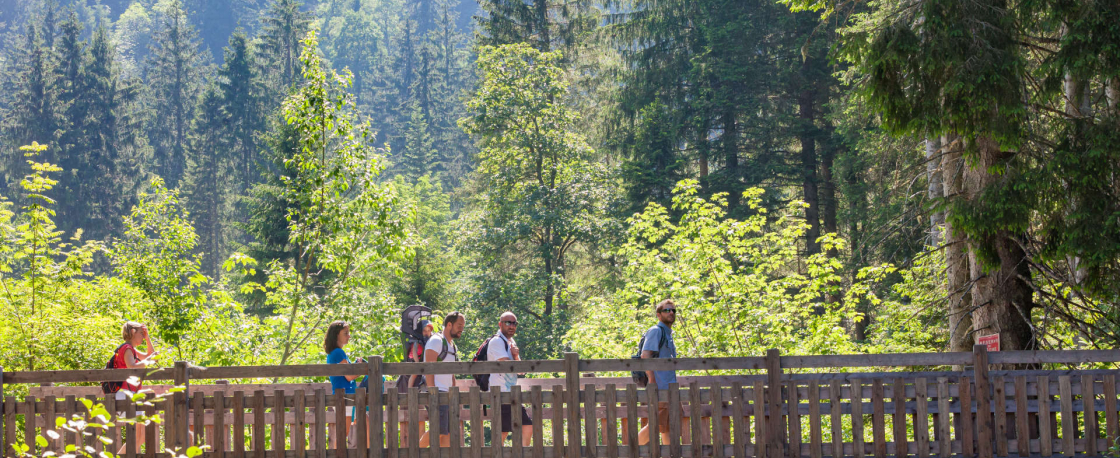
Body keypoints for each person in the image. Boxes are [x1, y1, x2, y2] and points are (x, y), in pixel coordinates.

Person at [418, 312, 466, 448]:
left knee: (448, 433)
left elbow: (451, 373)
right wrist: (433, 392)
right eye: (459, 325)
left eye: (463, 326)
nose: (461, 328)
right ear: (449, 324)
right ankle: (413, 454)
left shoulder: (451, 345)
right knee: (438, 429)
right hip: (436, 393)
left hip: (447, 394)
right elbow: (428, 368)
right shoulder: (436, 341)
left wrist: (454, 391)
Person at [488, 312, 533, 446]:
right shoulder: (497, 341)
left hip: (511, 393)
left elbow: (521, 370)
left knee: (526, 427)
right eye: (508, 323)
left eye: (514, 323)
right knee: (502, 433)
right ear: (500, 324)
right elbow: (508, 366)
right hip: (500, 394)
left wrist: (516, 356)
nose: (512, 326)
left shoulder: (511, 342)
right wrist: (515, 356)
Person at [638, 299, 680, 445]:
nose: (671, 313)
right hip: (660, 386)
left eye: (673, 310)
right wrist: (652, 381)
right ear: (658, 315)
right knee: (655, 425)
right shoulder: (656, 331)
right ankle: (628, 451)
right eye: (667, 310)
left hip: (669, 386)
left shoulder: (668, 334)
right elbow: (645, 356)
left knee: (666, 426)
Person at [115, 322, 158, 455]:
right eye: (141, 333)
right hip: (124, 395)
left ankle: (119, 456)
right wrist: (149, 359)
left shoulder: (131, 349)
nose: (142, 336)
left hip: (130, 394)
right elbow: (131, 366)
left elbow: (151, 356)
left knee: (141, 435)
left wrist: (147, 337)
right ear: (133, 332)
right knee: (139, 434)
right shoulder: (127, 348)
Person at [325, 321, 366, 447]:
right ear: (336, 335)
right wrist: (363, 368)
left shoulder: (336, 352)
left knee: (344, 432)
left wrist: (355, 365)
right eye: (345, 333)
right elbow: (349, 376)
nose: (349, 336)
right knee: (343, 433)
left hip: (344, 395)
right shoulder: (338, 352)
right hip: (344, 395)